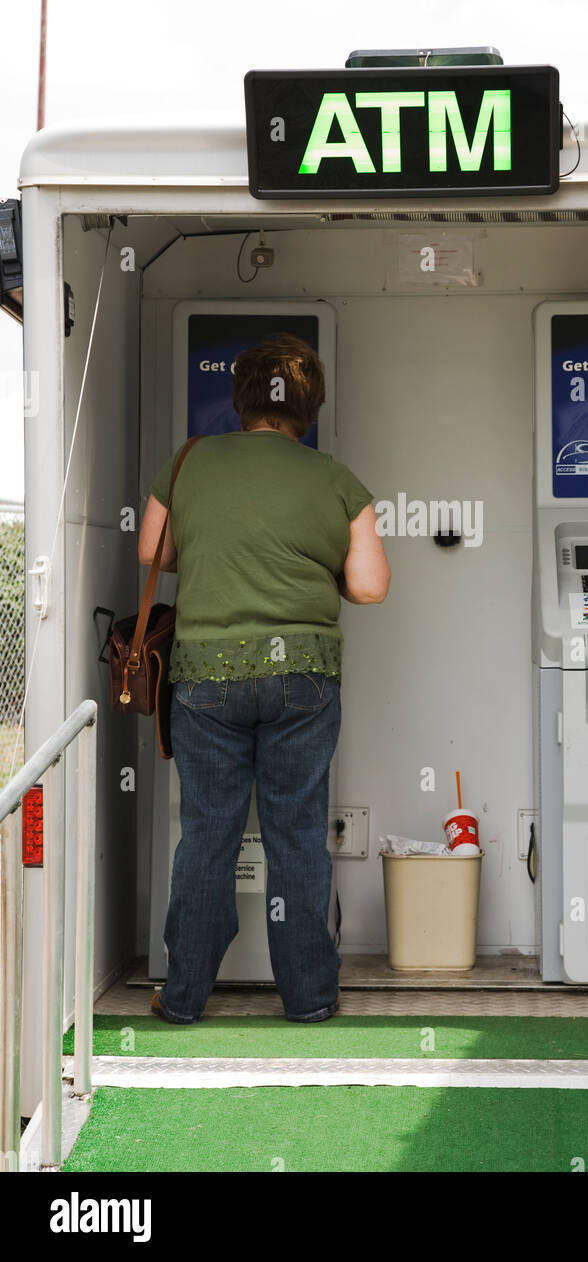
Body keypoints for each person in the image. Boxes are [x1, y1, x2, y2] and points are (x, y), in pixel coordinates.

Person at [138, 335, 390, 1024]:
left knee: (208, 835)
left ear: (240, 399)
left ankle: (183, 997)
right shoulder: (336, 480)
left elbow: (150, 549)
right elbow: (369, 588)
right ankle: (309, 998)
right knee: (297, 836)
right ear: (308, 409)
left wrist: (221, 550)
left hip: (206, 676)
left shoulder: (190, 461)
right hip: (302, 680)